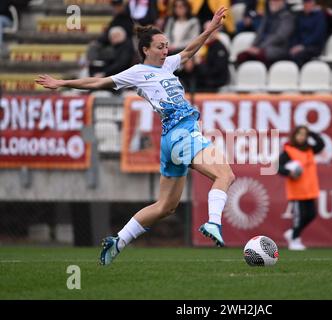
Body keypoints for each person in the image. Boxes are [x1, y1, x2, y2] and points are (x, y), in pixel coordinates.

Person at [36, 7, 235, 266]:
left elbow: (188, 51)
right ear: (146, 50)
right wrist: (63, 83)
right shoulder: (137, 72)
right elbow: (99, 83)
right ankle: (213, 222)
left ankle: (118, 241)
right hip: (181, 132)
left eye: (166, 46)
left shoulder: (168, 65)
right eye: (161, 46)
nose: (166, 50)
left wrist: (210, 29)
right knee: (225, 175)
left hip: (170, 140)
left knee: (165, 206)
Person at [278, 126, 324, 251]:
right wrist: (289, 172)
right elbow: (278, 167)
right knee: (299, 217)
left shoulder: (309, 149)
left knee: (311, 214)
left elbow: (321, 144)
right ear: (294, 136)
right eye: (299, 134)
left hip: (310, 189)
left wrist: (311, 132)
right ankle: (294, 240)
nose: (302, 137)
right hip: (297, 190)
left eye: (304, 135)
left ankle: (293, 233)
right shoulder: (288, 151)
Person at [236, 0, 294, 67]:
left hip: (277, 48)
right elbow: (259, 33)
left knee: (259, 55)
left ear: (282, 2)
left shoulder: (287, 17)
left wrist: (260, 48)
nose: (273, 2)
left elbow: (280, 37)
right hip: (262, 47)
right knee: (242, 56)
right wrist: (253, 46)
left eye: (277, 1)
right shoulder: (267, 16)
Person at [192, 20, 230, 92]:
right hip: (202, 79)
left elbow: (218, 69)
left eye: (211, 30)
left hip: (215, 81)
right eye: (206, 30)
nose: (208, 33)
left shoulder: (220, 48)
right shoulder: (202, 46)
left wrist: (200, 64)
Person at [288, 0, 327, 69]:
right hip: (299, 46)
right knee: (287, 53)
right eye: (305, 3)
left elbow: (317, 35)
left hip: (314, 46)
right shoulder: (300, 16)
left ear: (313, 4)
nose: (307, 5)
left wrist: (302, 46)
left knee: (299, 56)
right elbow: (296, 33)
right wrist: (293, 45)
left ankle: (301, 75)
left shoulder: (319, 16)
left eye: (309, 3)